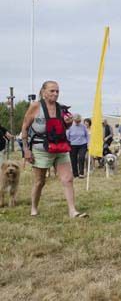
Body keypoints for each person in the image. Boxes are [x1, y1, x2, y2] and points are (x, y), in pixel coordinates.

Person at [21, 80, 88, 218]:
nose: (55, 93)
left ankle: (72, 211)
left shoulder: (62, 109)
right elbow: (25, 127)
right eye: (52, 91)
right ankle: (34, 207)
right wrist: (26, 149)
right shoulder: (35, 106)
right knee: (40, 181)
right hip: (41, 148)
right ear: (43, 92)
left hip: (60, 147)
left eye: (57, 91)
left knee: (68, 179)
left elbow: (61, 128)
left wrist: (68, 124)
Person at [66, 114, 89, 178]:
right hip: (73, 145)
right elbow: (67, 137)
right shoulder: (70, 127)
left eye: (79, 121)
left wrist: (88, 143)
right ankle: (75, 174)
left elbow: (87, 135)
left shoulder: (83, 126)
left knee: (81, 158)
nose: (78, 122)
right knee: (73, 160)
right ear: (74, 120)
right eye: (76, 121)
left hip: (83, 144)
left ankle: (81, 173)